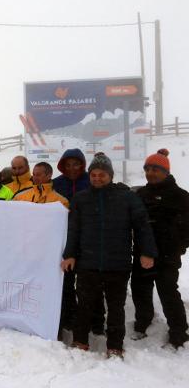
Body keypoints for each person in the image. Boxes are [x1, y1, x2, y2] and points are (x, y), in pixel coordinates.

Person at [61, 152, 157, 358]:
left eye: (102, 174)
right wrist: (69, 255)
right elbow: (73, 230)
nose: (97, 178)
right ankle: (80, 341)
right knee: (84, 305)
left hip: (118, 263)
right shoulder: (81, 199)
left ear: (110, 175)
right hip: (87, 262)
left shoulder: (127, 197)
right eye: (93, 174)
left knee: (116, 308)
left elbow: (142, 226)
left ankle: (115, 345)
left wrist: (148, 252)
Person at [131, 149, 189, 348]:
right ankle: (143, 323)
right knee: (140, 290)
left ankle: (179, 332)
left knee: (168, 293)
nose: (150, 173)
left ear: (166, 171)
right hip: (141, 254)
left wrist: (179, 247)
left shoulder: (181, 196)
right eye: (147, 169)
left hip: (167, 256)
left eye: (155, 169)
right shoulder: (141, 194)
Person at [52, 148, 103, 336]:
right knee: (66, 281)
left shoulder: (91, 181)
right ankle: (68, 315)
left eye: (76, 164)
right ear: (62, 166)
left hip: (89, 239)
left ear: (82, 164)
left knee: (90, 282)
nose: (72, 168)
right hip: (63, 238)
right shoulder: (56, 183)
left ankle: (97, 320)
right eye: (68, 165)